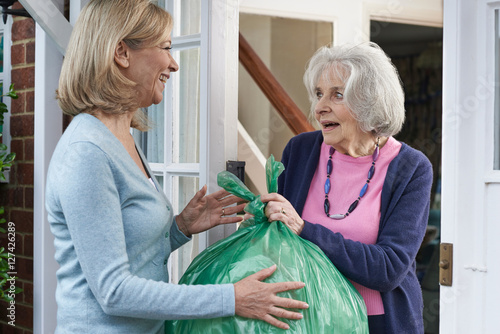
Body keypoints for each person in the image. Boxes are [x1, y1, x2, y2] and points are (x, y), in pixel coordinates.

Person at [45, 0, 308, 333]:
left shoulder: (120, 137)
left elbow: (132, 253)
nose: (174, 63)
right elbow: (113, 292)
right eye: (166, 47)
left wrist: (180, 227)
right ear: (122, 53)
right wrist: (232, 298)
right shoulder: (88, 152)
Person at [261, 42, 433, 333]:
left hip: (377, 323)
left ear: (370, 102)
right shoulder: (301, 151)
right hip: (307, 316)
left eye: (337, 95)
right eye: (318, 94)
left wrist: (306, 229)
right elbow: (280, 240)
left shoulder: (412, 168)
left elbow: (389, 269)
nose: (319, 107)